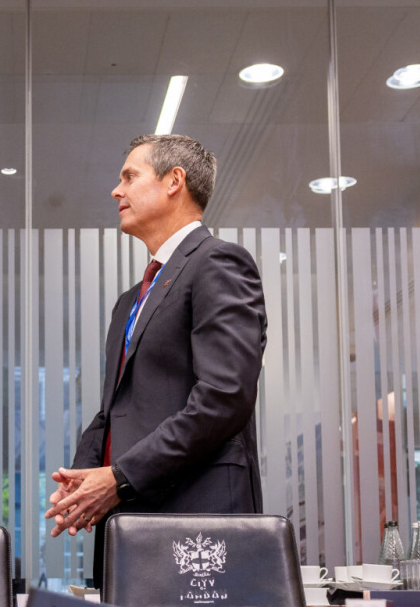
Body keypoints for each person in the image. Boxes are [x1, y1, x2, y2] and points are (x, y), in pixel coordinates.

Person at [45, 134, 267, 586]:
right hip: (128, 522)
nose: (116, 190)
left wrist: (119, 476)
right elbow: (115, 408)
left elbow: (223, 398)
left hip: (195, 524)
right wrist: (86, 477)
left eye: (129, 176)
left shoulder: (218, 263)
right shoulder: (131, 300)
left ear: (174, 181)